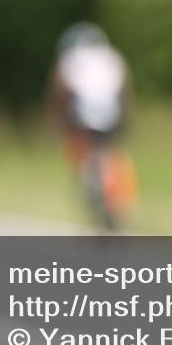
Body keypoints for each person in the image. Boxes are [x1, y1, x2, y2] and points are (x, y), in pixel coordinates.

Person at [48, 22, 136, 227]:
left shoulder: (70, 59)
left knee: (82, 153)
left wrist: (58, 120)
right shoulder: (112, 56)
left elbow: (59, 90)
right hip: (111, 110)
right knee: (111, 153)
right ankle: (119, 199)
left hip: (82, 112)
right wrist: (126, 118)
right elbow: (125, 88)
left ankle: (91, 185)